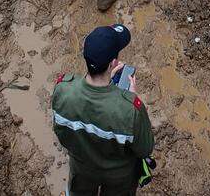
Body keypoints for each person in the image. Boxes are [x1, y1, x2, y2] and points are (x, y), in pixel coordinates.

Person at [52, 24, 155, 195]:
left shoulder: (62, 90)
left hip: (82, 170)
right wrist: (131, 98)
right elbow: (145, 148)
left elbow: (61, 132)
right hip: (119, 179)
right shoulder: (130, 109)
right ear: (113, 63)